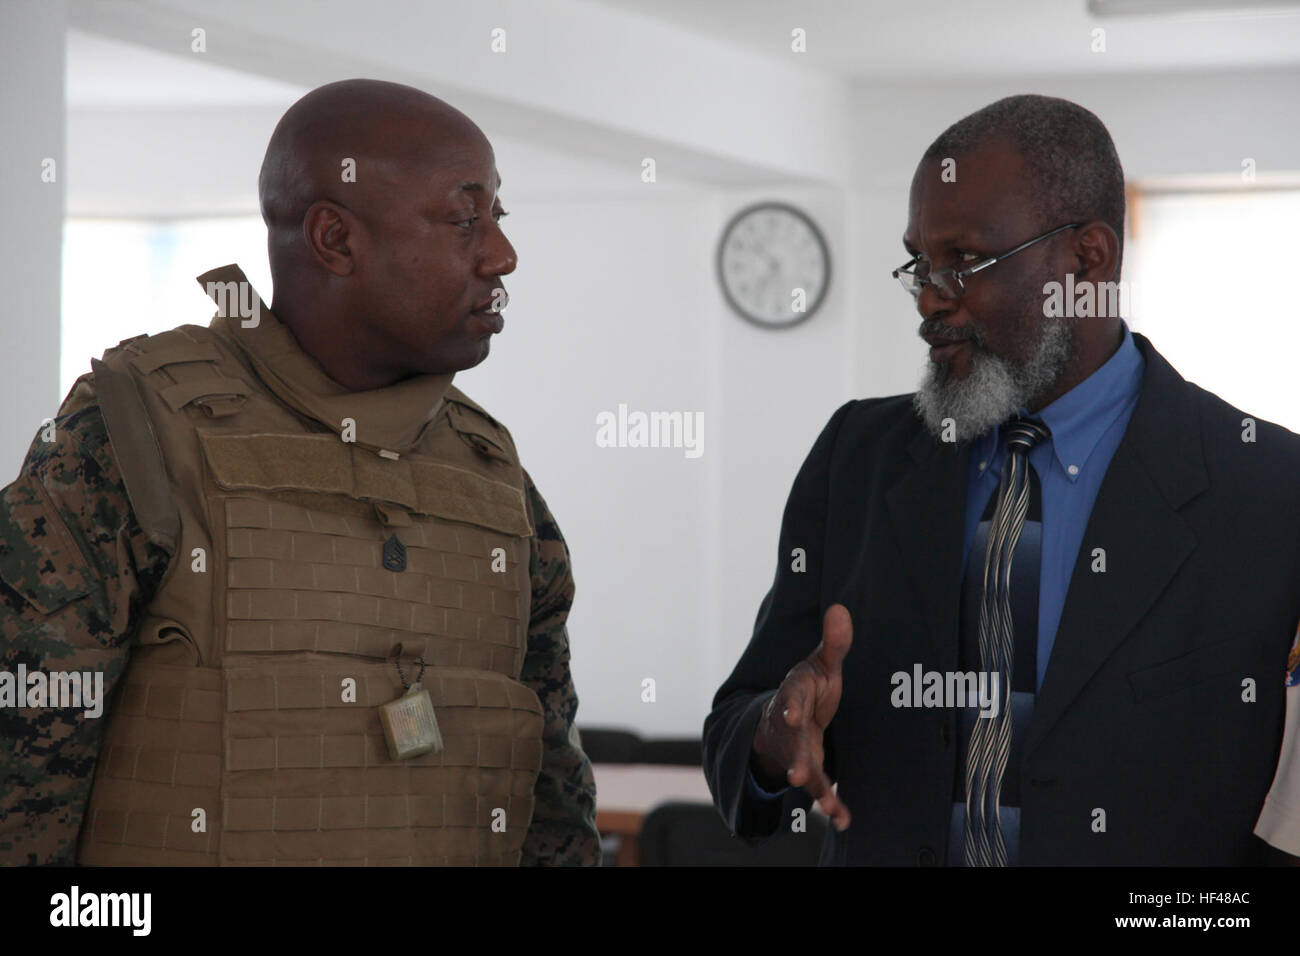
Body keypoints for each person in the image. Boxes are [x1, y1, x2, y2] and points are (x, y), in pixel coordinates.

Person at [0, 78, 599, 866]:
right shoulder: (133, 431)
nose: (501, 254)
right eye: (464, 218)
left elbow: (551, 803)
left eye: (499, 217)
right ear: (335, 240)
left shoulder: (493, 476)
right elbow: (23, 778)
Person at [703, 94, 1300, 866]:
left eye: (964, 262)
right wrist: (771, 738)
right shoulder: (860, 455)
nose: (927, 298)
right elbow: (740, 732)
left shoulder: (1267, 491)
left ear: (1087, 259)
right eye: (919, 261)